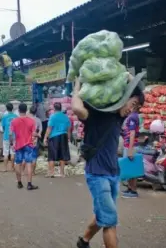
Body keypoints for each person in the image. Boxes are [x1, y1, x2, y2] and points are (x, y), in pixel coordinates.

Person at [72, 75, 145, 248]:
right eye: (132, 104)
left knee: (102, 215)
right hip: (97, 175)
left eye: (136, 107)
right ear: (125, 97)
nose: (132, 110)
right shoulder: (96, 114)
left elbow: (141, 91)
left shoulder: (119, 117)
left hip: (113, 173)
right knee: (110, 221)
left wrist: (127, 76)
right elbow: (76, 108)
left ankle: (83, 241)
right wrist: (77, 86)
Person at [10, 103, 39, 190]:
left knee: (18, 164)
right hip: (28, 145)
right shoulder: (31, 121)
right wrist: (35, 139)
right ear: (26, 110)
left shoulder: (14, 121)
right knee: (28, 164)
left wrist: (12, 144)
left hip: (18, 146)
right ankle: (29, 184)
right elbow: (33, 134)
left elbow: (11, 134)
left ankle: (19, 183)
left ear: (18, 111)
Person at [44, 102, 71, 178]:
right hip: (63, 136)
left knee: (51, 155)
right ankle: (62, 173)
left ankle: (51, 173)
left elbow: (49, 128)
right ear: (61, 108)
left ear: (54, 108)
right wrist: (68, 137)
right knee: (62, 155)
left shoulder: (52, 117)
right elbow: (69, 129)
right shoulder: (66, 117)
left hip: (54, 137)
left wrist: (45, 138)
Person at [122, 107, 140, 198]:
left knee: (131, 169)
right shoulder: (133, 116)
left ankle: (133, 191)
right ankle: (130, 188)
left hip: (130, 146)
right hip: (129, 145)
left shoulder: (132, 117)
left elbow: (132, 133)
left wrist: (130, 149)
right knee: (129, 168)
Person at [1, 103, 18, 172]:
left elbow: (3, 127)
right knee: (13, 152)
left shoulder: (4, 117)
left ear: (6, 109)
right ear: (12, 108)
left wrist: (6, 131)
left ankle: (5, 168)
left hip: (6, 137)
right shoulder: (16, 116)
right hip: (14, 137)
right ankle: (12, 167)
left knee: (5, 153)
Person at [28, 105, 43, 175]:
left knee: (27, 156)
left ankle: (26, 171)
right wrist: (38, 134)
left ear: (29, 111)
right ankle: (33, 172)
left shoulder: (26, 119)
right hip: (35, 140)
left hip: (26, 139)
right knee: (34, 156)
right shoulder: (38, 120)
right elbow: (41, 129)